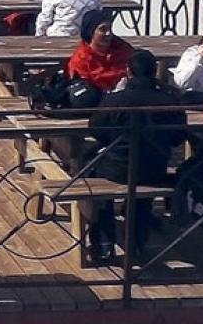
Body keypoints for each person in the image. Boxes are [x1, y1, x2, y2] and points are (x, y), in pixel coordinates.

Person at [82, 49, 188, 260]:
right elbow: (178, 137)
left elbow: (96, 129)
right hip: (154, 167)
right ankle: (137, 243)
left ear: (128, 71)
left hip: (117, 168)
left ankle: (104, 241)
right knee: (142, 192)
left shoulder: (117, 99)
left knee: (91, 174)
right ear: (154, 72)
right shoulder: (169, 100)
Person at [67, 9, 134, 92]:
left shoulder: (123, 49)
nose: (108, 33)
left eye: (110, 28)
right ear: (91, 32)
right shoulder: (81, 59)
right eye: (103, 29)